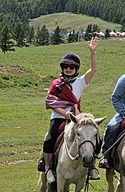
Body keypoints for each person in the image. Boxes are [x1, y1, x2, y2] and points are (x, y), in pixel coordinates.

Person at [42, 36, 100, 182]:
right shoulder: (56, 84)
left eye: (72, 67)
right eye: (66, 66)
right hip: (58, 118)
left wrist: (93, 52)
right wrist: (65, 114)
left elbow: (93, 70)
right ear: (62, 68)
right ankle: (47, 168)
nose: (68, 69)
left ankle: (91, 167)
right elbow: (51, 102)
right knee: (49, 140)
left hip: (77, 119)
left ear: (76, 69)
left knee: (97, 138)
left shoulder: (80, 82)